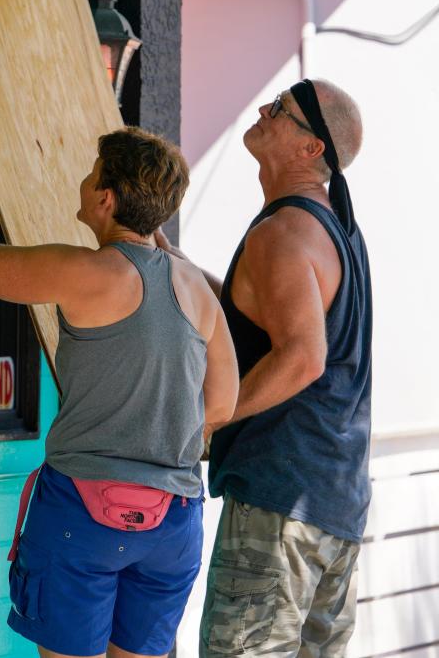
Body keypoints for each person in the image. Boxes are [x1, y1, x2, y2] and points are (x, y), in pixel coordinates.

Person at [0, 109, 239, 658]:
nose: (83, 181)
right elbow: (222, 403)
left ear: (106, 199)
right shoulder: (198, 289)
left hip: (83, 512)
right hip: (172, 522)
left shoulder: (89, 271)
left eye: (92, 172)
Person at [159, 78, 372, 657]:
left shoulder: (284, 231)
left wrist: (210, 419)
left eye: (279, 110)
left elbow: (302, 357)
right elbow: (255, 311)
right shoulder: (323, 226)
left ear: (312, 149)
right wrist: (172, 263)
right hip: (332, 504)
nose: (261, 109)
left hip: (282, 504)